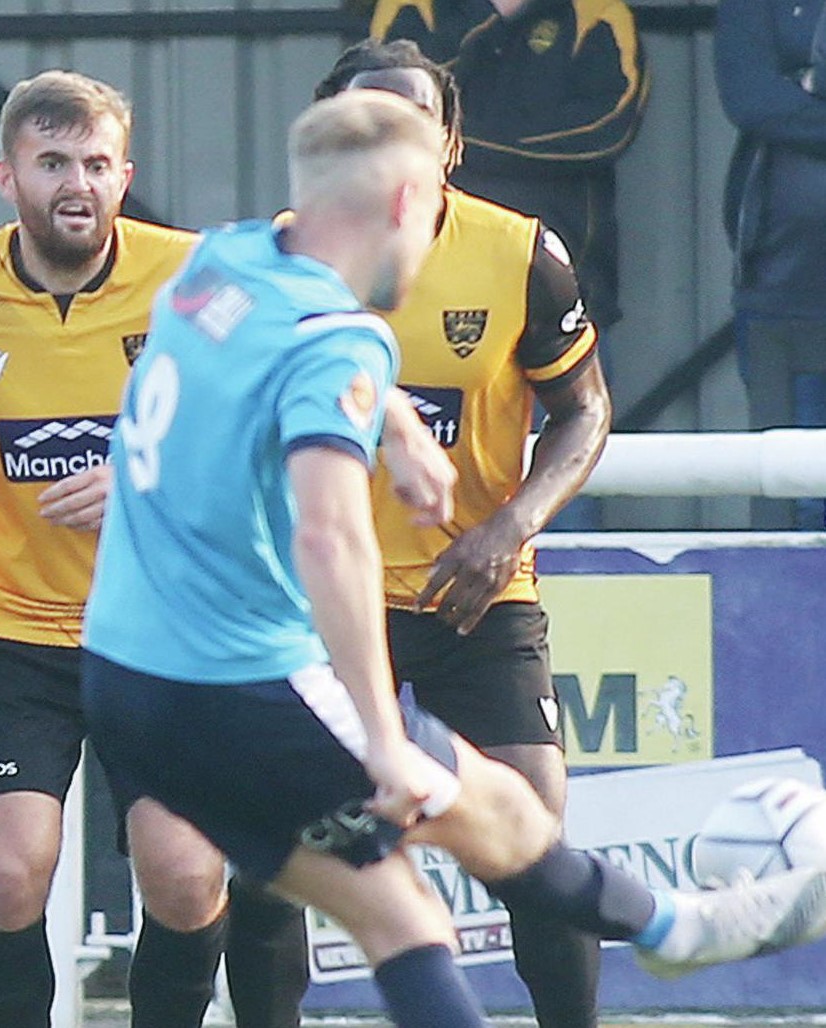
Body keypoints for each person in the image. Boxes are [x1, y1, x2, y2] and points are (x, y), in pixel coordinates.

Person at [82, 89, 826, 1028]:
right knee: (415, 904)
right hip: (241, 687)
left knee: (458, 854)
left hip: (124, 681)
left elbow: (270, 357)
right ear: (409, 201)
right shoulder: (335, 340)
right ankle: (676, 929)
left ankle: (676, 927)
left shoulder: (222, 262)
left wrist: (394, 425)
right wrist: (380, 739)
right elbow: (331, 536)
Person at [223, 40, 617, 1028]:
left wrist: (508, 527)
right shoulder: (271, 261)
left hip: (471, 594)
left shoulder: (520, 254)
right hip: (310, 599)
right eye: (368, 122)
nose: (389, 141)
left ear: (450, 146)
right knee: (270, 858)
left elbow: (584, 409)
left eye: (413, 122)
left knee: (532, 835)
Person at [0, 70, 234, 1027]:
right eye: (53, 163)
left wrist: (146, 480)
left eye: (97, 164)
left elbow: (266, 424)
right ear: (7, 176)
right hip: (14, 626)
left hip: (162, 628)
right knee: (12, 869)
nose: (77, 184)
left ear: (125, 175)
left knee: (187, 877)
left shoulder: (194, 278)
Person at [369, 0, 647, 328]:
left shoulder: (598, 13)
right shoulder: (411, 7)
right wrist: (488, 15)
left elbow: (607, 131)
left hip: (557, 277)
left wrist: (453, 144)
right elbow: (391, 112)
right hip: (429, 274)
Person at [717, 0, 826, 528]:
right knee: (788, 488)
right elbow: (752, 99)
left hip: (784, 277)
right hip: (781, 281)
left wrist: (803, 88)